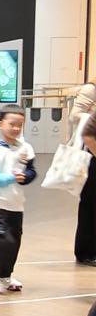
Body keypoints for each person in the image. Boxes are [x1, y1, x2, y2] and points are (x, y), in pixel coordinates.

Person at [0, 105, 36, 293]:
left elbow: (31, 171)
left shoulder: (25, 148)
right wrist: (10, 178)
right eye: (12, 124)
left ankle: (5, 275)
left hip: (16, 203)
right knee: (5, 239)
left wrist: (25, 177)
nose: (16, 128)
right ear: (0, 123)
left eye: (20, 124)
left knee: (15, 241)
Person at [70, 80, 96, 265]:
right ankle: (85, 251)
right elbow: (75, 116)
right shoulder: (91, 90)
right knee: (90, 206)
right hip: (91, 156)